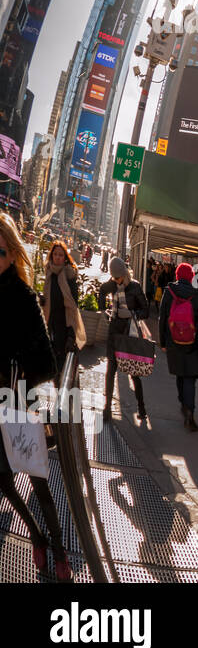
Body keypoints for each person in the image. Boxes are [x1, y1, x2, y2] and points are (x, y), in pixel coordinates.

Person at [0, 212, 73, 580]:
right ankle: (36, 535)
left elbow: (47, 363)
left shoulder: (25, 298)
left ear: (13, 254)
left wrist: (16, 363)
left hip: (17, 402)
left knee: (37, 479)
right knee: (2, 480)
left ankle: (59, 549)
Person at [97, 256, 151, 423]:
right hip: (114, 331)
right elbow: (101, 291)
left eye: (119, 277)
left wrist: (133, 314)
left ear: (125, 274)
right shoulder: (111, 284)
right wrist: (104, 310)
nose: (117, 280)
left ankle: (141, 408)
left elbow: (146, 310)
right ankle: (107, 407)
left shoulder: (135, 287)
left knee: (133, 372)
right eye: (114, 277)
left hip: (129, 333)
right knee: (110, 370)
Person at [159, 262, 198, 432]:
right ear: (191, 276)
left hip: (172, 339)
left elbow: (162, 317)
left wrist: (162, 341)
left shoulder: (169, 291)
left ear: (177, 275)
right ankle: (190, 412)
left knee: (179, 372)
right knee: (190, 377)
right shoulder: (196, 294)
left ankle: (183, 403)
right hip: (191, 341)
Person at [40, 240, 85, 367]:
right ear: (51, 255)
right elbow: (48, 300)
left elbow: (73, 307)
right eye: (55, 254)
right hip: (50, 325)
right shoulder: (49, 274)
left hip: (64, 328)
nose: (57, 257)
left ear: (65, 258)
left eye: (60, 255)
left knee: (61, 366)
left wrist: (71, 335)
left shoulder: (69, 276)